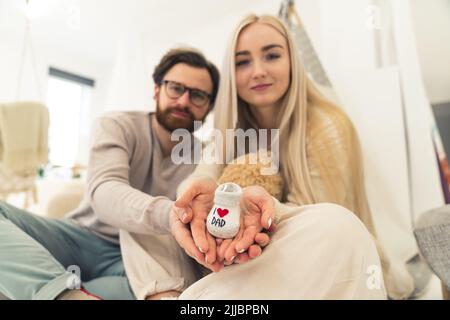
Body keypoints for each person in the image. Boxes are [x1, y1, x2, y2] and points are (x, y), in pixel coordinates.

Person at [120, 14, 390, 299]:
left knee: (337, 224)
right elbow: (202, 175)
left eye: (272, 56)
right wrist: (194, 203)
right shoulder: (228, 129)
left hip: (282, 248)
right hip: (227, 252)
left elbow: (311, 222)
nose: (258, 71)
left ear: (293, 63)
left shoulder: (329, 125)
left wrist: (261, 213)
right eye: (243, 62)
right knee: (150, 217)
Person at [0, 47, 220, 300]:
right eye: (176, 88)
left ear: (209, 107)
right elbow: (104, 191)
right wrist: (169, 215)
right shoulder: (117, 125)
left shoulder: (207, 158)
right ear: (157, 89)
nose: (183, 101)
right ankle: (64, 294)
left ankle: (58, 290)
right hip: (76, 237)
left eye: (198, 95)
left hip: (134, 263)